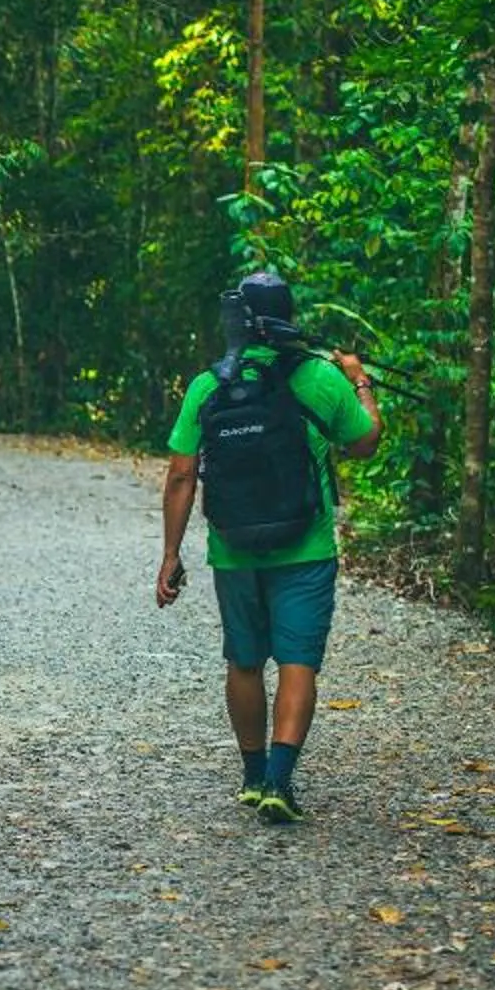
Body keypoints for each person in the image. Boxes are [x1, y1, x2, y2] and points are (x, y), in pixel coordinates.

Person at [154, 270, 381, 823]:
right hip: (305, 549)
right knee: (298, 662)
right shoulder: (320, 377)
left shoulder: (208, 386)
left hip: (233, 550)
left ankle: (254, 778)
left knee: (245, 660)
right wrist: (359, 382)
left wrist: (170, 554)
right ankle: (281, 782)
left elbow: (182, 476)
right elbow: (365, 443)